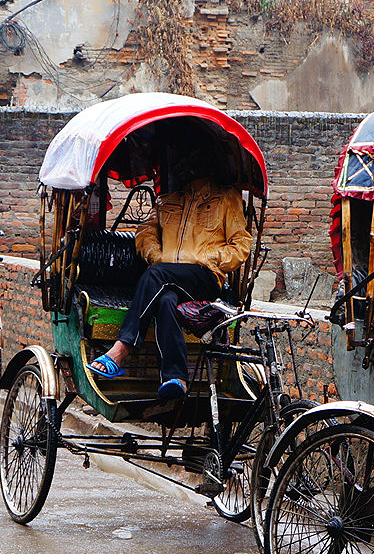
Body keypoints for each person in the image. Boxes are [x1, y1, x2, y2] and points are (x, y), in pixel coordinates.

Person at [87, 168, 251, 399]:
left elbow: (241, 244)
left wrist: (210, 259)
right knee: (165, 301)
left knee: (157, 275)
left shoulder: (225, 197)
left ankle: (122, 348)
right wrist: (156, 256)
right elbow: (145, 232)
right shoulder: (168, 199)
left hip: (204, 277)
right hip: (167, 279)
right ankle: (176, 378)